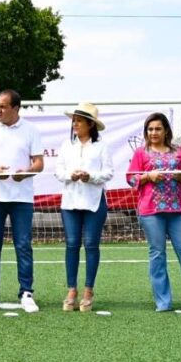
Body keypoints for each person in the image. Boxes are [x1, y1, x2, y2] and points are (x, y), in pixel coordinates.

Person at [127, 113, 181, 313]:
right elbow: (131, 178)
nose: (154, 133)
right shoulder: (141, 153)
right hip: (151, 210)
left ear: (166, 130)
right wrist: (147, 176)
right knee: (157, 254)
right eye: (150, 129)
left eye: (158, 128)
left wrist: (180, 176)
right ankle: (163, 302)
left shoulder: (179, 152)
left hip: (177, 210)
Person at [0, 89, 44, 313]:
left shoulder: (31, 130)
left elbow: (39, 163)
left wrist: (27, 172)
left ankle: (26, 293)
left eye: (3, 106)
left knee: (23, 245)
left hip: (22, 198)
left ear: (15, 108)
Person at [55, 102, 113, 312]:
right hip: (70, 202)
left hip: (94, 201)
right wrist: (70, 175)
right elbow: (58, 171)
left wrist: (91, 176)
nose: (75, 124)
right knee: (71, 244)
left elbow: (108, 172)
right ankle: (72, 289)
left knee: (90, 244)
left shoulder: (101, 147)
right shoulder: (65, 146)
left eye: (79, 121)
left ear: (90, 124)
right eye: (74, 121)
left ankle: (88, 290)